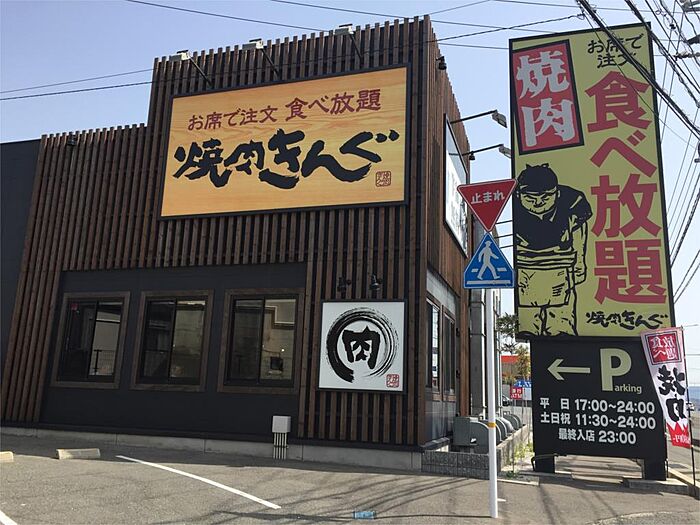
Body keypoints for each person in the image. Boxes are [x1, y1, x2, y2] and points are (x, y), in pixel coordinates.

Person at [514, 163, 592, 336]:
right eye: (530, 198)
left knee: (561, 324)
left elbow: (579, 234)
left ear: (557, 193)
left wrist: (580, 264)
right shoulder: (512, 205)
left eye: (545, 197)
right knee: (528, 323)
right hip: (526, 270)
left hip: (561, 267)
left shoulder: (573, 203)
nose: (538, 202)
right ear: (519, 195)